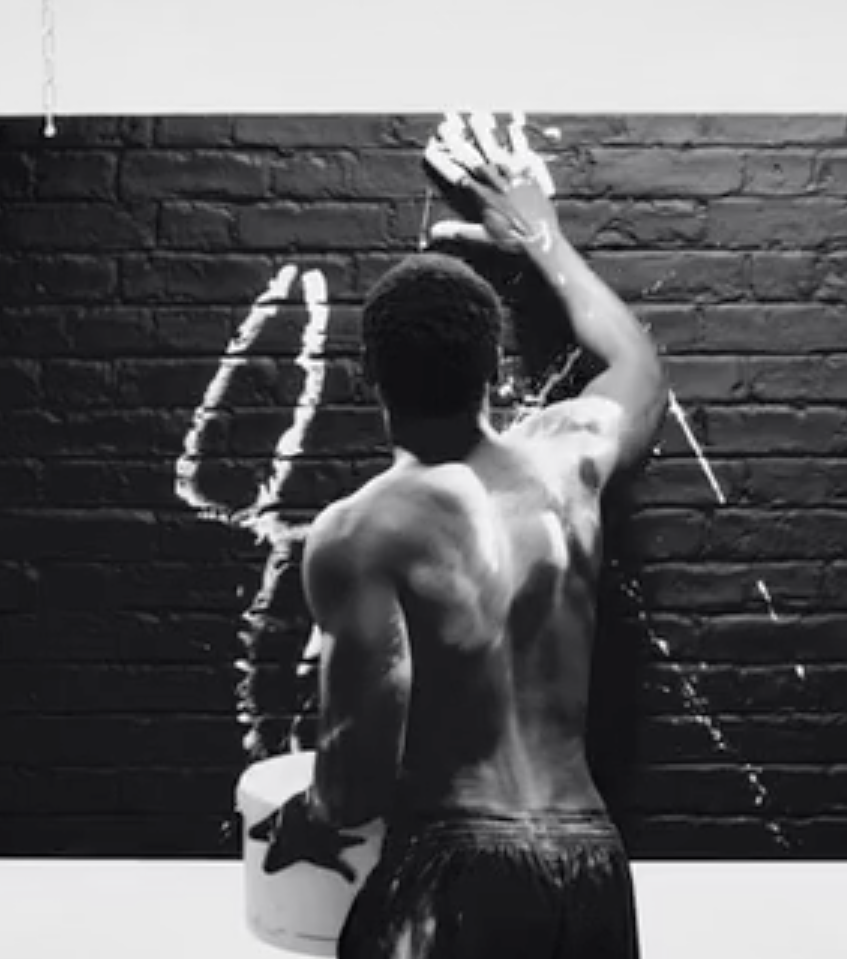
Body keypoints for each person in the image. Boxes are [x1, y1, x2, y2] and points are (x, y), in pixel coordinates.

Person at [254, 117, 666, 958]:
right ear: (493, 369)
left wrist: (302, 810)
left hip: (453, 871)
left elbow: (357, 783)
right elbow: (638, 364)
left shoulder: (358, 530)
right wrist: (540, 237)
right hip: (590, 869)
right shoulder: (571, 459)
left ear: (367, 375)